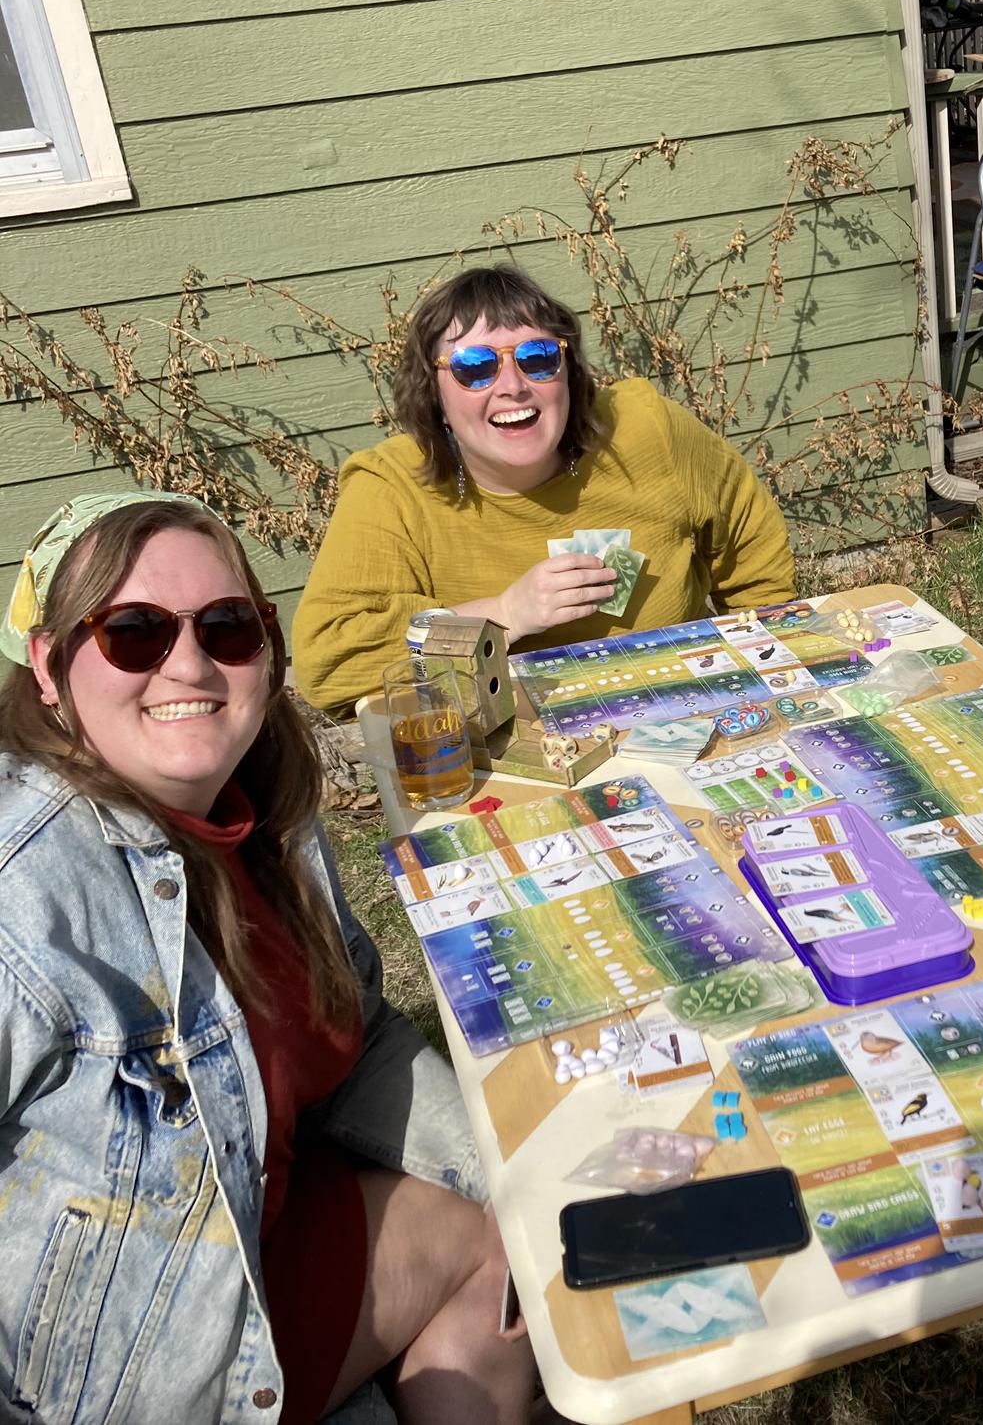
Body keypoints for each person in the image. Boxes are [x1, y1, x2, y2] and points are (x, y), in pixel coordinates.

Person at [0, 491, 539, 1425]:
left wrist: (525, 1183)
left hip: (262, 1223)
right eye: (133, 632)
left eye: (227, 625)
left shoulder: (267, 809)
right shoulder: (24, 888)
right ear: (48, 667)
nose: (190, 662)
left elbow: (361, 1034)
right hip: (143, 1352)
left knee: (523, 1254)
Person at [293, 264, 796, 715]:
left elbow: (752, 553)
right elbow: (330, 662)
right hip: (512, 759)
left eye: (536, 358)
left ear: (569, 373)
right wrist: (504, 614)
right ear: (433, 393)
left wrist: (770, 673)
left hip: (689, 716)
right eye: (475, 367)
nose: (512, 385)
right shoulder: (392, 489)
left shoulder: (646, 430)